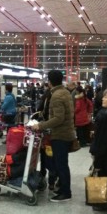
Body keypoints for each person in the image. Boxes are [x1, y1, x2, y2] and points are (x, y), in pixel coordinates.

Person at [32, 70, 75, 202]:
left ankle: (66, 192)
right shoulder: (66, 92)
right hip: (67, 132)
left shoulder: (56, 96)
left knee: (60, 164)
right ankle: (63, 188)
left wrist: (41, 125)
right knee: (62, 163)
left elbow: (58, 118)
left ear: (49, 82)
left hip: (60, 134)